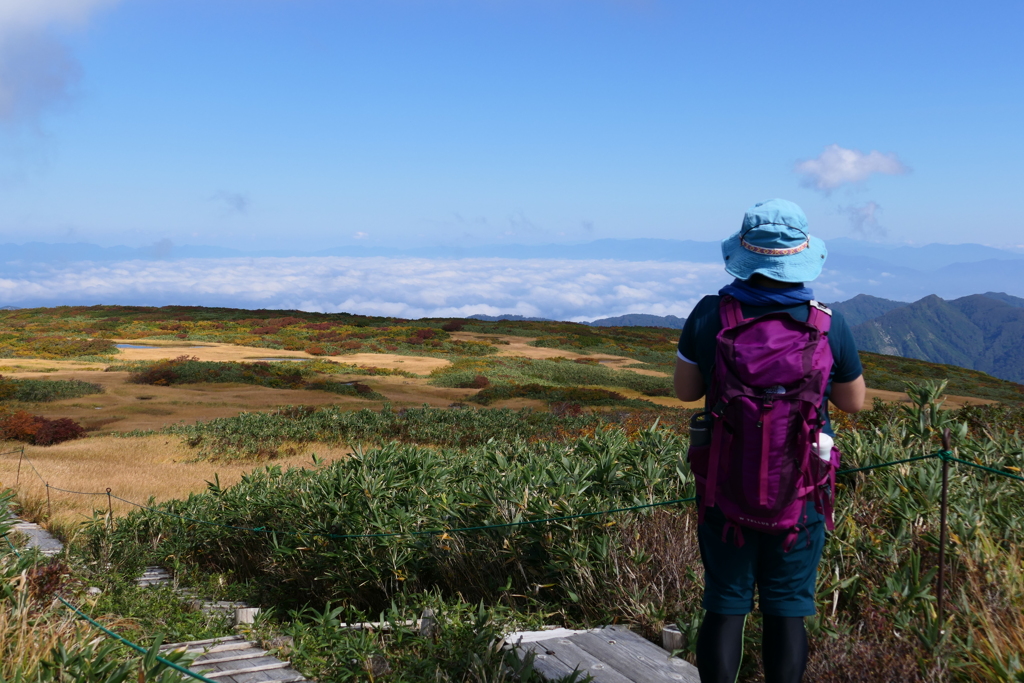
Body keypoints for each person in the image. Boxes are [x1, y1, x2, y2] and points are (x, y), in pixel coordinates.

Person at [673, 199, 865, 683]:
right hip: (800, 493)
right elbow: (853, 403)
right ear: (802, 257)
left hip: (724, 487)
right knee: (787, 610)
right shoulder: (827, 323)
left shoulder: (710, 314)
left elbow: (685, 391)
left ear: (743, 253)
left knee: (724, 606)